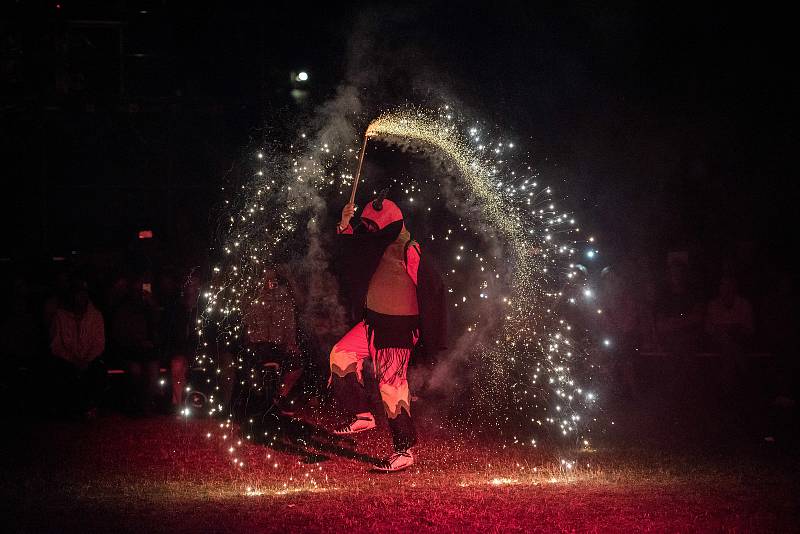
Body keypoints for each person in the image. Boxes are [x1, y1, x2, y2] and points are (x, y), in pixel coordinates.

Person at [329, 192, 446, 472]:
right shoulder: (378, 246)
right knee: (340, 357)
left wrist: (428, 336)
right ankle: (362, 415)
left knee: (392, 389)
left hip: (396, 331)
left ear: (387, 224)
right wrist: (346, 224)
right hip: (372, 325)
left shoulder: (409, 249)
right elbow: (351, 253)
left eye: (371, 226)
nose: (367, 230)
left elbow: (433, 289)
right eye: (365, 226)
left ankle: (404, 450)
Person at [241, 267, 303, 415]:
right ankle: (261, 402)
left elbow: (290, 328)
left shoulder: (285, 303)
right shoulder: (253, 302)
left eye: (273, 281)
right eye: (267, 280)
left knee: (297, 362)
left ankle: (278, 398)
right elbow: (247, 329)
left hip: (279, 346)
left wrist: (291, 344)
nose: (270, 284)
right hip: (258, 346)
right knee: (263, 363)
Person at [48, 279, 106, 417]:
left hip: (89, 360)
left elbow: (99, 343)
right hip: (67, 360)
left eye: (84, 294)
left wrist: (87, 359)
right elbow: (56, 344)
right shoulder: (60, 316)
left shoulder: (95, 316)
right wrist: (73, 359)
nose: (81, 297)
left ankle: (90, 406)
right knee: (63, 372)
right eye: (78, 294)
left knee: (97, 370)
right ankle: (72, 408)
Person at [705, 275, 754, 394]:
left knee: (729, 348)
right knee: (728, 345)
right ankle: (745, 375)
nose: (726, 288)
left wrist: (734, 330)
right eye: (723, 285)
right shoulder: (713, 305)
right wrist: (723, 331)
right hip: (719, 341)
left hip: (739, 340)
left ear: (735, 286)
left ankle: (726, 389)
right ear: (719, 287)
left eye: (729, 284)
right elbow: (708, 328)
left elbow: (750, 328)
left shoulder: (744, 304)